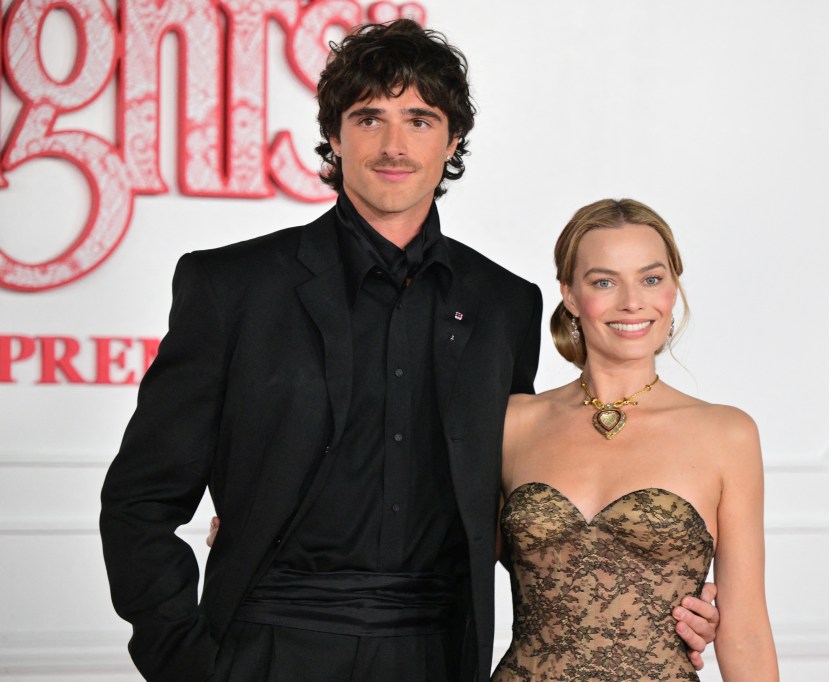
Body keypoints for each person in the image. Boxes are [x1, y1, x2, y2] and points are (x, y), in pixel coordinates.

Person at [99, 20, 718, 681]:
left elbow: (517, 506)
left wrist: (654, 594)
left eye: (420, 119)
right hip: (269, 643)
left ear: (452, 140)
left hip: (437, 654)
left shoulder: (504, 305)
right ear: (334, 136)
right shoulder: (232, 288)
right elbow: (141, 500)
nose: (394, 145)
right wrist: (187, 663)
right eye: (369, 118)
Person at [492, 199, 778, 681]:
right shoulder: (512, 422)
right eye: (604, 281)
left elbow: (745, 630)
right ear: (570, 295)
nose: (632, 301)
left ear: (672, 289)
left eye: (651, 279)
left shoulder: (727, 434)